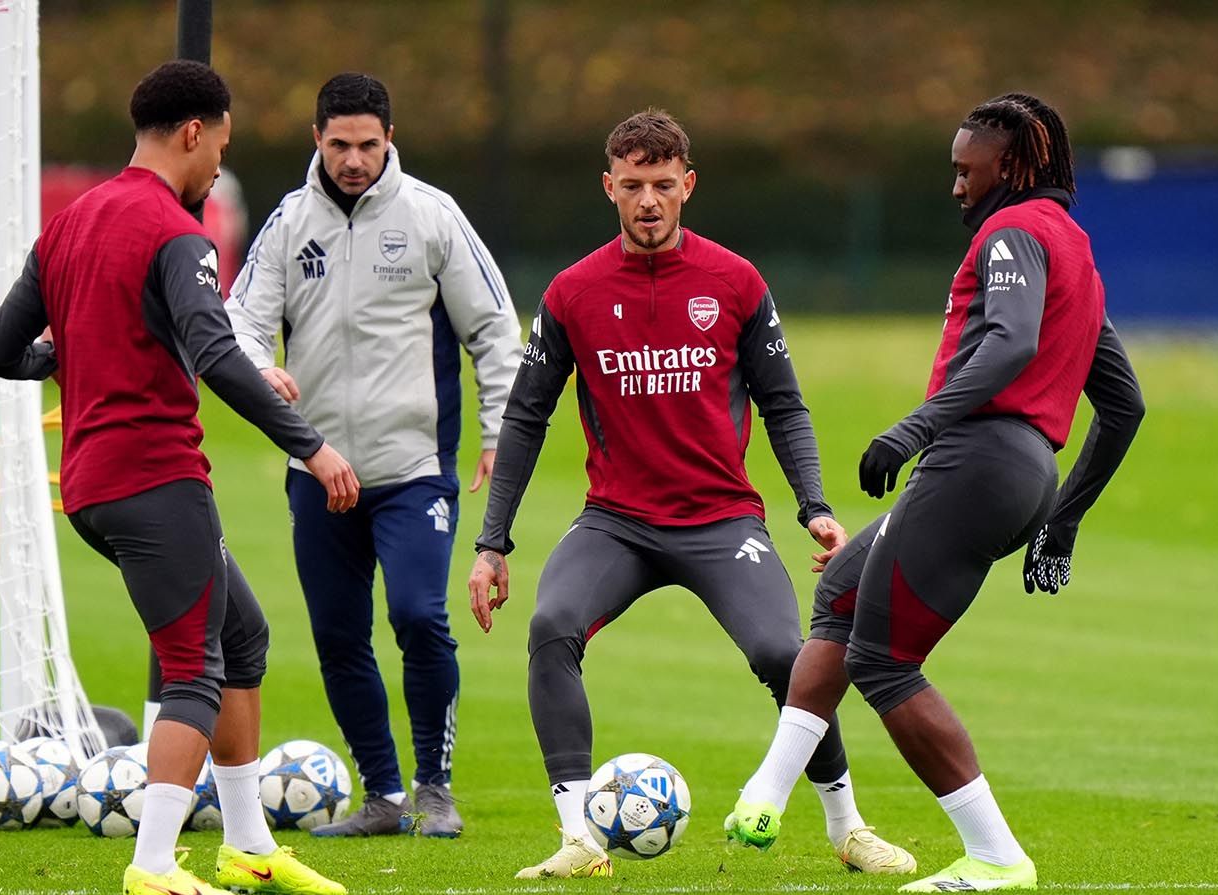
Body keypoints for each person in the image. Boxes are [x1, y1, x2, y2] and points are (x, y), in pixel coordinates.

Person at [467, 109, 915, 880]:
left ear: (688, 186)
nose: (648, 200)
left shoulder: (736, 281)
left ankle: (848, 827)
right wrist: (490, 543)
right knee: (551, 624)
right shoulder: (572, 293)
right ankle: (579, 839)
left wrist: (814, 505)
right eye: (632, 185)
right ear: (609, 187)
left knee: (786, 653)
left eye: (663, 184)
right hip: (615, 523)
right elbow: (526, 415)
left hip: (721, 521)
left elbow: (784, 403)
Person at [726, 93, 1144, 893]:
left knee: (884, 662)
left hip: (976, 463)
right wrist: (1060, 523)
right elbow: (1124, 406)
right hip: (1023, 474)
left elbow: (1010, 341)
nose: (956, 186)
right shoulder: (1076, 253)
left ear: (1010, 167)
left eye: (965, 170)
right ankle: (766, 797)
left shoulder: (1011, 231)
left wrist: (913, 429)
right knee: (843, 594)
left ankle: (995, 854)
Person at [0, 60, 353, 895]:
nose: (219, 162)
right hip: (155, 479)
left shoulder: (70, 224)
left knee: (243, 636)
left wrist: (62, 358)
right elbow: (216, 353)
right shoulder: (178, 231)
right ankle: (151, 864)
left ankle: (247, 844)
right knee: (193, 669)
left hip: (91, 485)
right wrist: (311, 446)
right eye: (221, 145)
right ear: (192, 133)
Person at [227, 72, 520, 839]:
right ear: (316, 141)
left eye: (367, 144)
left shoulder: (431, 216)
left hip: (413, 468)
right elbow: (239, 323)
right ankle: (383, 795)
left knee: (419, 615)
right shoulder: (289, 223)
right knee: (337, 635)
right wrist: (260, 367)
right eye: (339, 145)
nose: (353, 159)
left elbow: (494, 328)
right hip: (317, 470)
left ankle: (435, 787)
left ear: (390, 139)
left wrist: (499, 431)